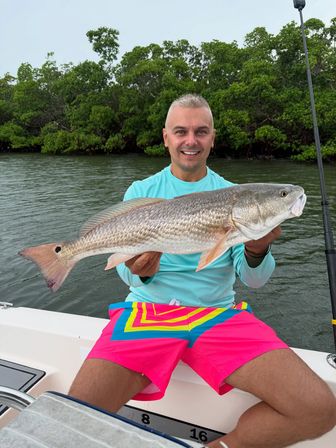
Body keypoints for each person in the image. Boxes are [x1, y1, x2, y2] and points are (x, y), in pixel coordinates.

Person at [69, 94, 336, 448]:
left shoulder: (233, 194)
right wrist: (141, 271)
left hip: (218, 315)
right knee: (74, 416)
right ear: (166, 137)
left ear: (212, 138)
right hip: (147, 313)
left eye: (201, 131)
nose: (190, 141)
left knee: (320, 408)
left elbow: (253, 279)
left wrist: (258, 248)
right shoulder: (142, 192)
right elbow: (126, 272)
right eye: (181, 131)